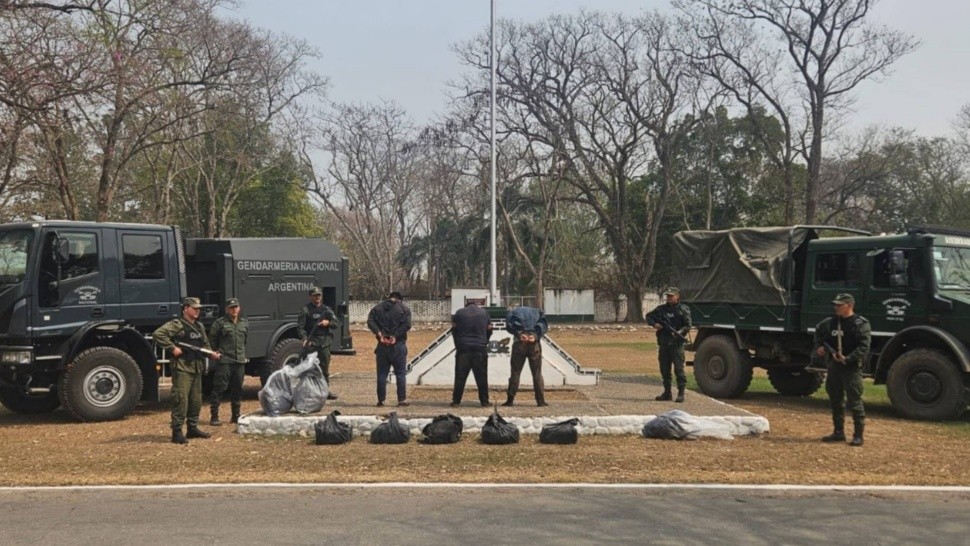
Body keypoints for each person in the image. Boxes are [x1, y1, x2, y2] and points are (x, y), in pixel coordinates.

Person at [153, 297, 221, 444]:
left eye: (198, 308)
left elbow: (205, 345)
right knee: (181, 399)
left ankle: (192, 428)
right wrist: (172, 348)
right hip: (182, 367)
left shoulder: (200, 327)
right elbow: (158, 334)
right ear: (185, 309)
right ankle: (177, 432)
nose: (197, 311)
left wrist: (212, 354)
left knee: (196, 400)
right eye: (194, 308)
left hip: (196, 367)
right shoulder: (177, 324)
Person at [814, 293, 870, 447]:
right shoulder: (830, 323)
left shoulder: (860, 324)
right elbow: (819, 333)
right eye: (835, 305)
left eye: (839, 305)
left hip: (851, 369)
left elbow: (864, 347)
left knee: (855, 401)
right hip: (834, 367)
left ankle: (858, 435)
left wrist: (848, 358)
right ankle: (838, 432)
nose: (836, 307)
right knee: (835, 400)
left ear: (849, 306)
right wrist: (820, 347)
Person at [646, 288, 692, 403]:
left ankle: (681, 393)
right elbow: (649, 316)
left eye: (672, 296)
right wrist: (654, 324)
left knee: (679, 369)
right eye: (668, 296)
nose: (669, 298)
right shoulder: (661, 309)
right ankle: (667, 393)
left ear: (677, 296)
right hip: (664, 343)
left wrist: (679, 332)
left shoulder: (683, 309)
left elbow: (688, 325)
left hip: (676, 344)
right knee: (665, 370)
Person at [367, 291, 412, 407]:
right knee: (401, 374)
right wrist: (395, 336)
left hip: (382, 345)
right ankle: (401, 399)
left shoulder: (377, 308)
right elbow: (407, 325)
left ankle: (381, 400)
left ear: (389, 297)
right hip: (398, 345)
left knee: (382, 374)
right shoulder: (404, 309)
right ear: (400, 299)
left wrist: (379, 334)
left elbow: (370, 321)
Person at [208, 297, 248, 426]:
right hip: (225, 361)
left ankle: (235, 416)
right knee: (219, 388)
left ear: (239, 308)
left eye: (236, 307)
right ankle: (214, 416)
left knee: (237, 389)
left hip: (239, 361)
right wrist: (216, 352)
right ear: (226, 309)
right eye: (231, 308)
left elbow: (244, 340)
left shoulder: (244, 323)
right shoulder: (220, 323)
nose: (234, 309)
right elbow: (212, 340)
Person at [297, 286, 340, 400]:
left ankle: (325, 391)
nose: (317, 297)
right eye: (315, 295)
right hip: (311, 343)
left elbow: (336, 323)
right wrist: (304, 338)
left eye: (319, 295)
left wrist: (328, 322)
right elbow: (300, 327)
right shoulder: (305, 310)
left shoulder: (326, 309)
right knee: (309, 369)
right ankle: (309, 391)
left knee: (324, 369)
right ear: (310, 296)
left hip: (324, 343)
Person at [502, 305, 549, 407]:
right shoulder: (538, 312)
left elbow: (509, 325)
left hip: (519, 343)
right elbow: (544, 325)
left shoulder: (513, 311)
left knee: (515, 372)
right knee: (537, 373)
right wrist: (535, 336)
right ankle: (540, 401)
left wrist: (520, 334)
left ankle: (510, 400)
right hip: (534, 344)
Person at [450, 301, 494, 407]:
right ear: (476, 305)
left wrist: (458, 344)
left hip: (463, 348)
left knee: (460, 376)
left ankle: (456, 401)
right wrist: (485, 342)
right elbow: (490, 329)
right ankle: (484, 401)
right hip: (480, 348)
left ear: (466, 305)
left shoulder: (459, 313)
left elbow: (454, 330)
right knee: (482, 376)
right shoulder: (484, 313)